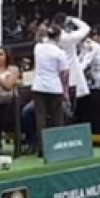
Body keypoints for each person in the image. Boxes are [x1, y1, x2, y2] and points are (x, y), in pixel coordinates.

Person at [31, 26, 71, 155]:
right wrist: (65, 90)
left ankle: (42, 148)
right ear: (58, 37)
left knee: (40, 118)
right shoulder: (59, 52)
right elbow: (64, 73)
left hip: (38, 87)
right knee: (56, 118)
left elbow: (38, 38)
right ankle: (56, 146)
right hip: (54, 87)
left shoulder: (38, 48)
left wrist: (40, 30)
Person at [51, 12, 90, 102]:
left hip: (55, 71)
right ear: (64, 23)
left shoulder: (49, 37)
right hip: (70, 72)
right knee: (71, 100)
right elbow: (86, 28)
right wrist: (72, 19)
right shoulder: (68, 38)